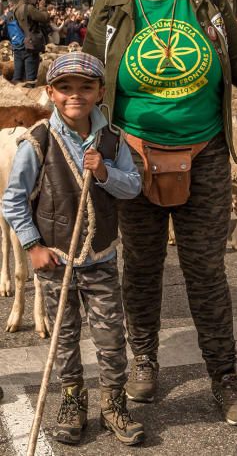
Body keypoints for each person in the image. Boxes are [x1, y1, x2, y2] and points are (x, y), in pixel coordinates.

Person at [83, 0, 237, 427]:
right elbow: (90, 79)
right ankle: (143, 360)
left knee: (205, 271)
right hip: (134, 157)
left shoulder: (210, 2)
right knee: (141, 269)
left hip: (206, 154)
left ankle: (224, 374)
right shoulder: (111, 9)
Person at [2, 53, 144, 447]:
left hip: (99, 258)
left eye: (85, 87)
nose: (75, 95)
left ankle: (113, 401)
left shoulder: (112, 139)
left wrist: (103, 171)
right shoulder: (37, 141)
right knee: (64, 337)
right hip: (56, 260)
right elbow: (13, 201)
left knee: (111, 336)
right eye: (65, 88)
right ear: (51, 93)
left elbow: (132, 187)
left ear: (100, 92)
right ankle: (72, 400)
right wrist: (32, 246)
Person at [12, 0, 50, 86]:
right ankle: (27, 98)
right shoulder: (28, 8)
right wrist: (42, 7)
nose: (37, 0)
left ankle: (15, 97)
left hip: (18, 44)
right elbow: (45, 18)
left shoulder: (16, 7)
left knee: (17, 77)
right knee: (30, 79)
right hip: (29, 46)